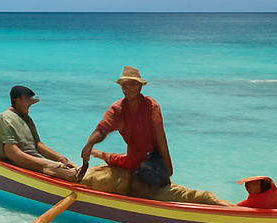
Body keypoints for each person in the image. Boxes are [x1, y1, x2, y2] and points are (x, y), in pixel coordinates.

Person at [78, 67, 229, 206]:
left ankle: (229, 208)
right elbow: (102, 129)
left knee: (194, 196)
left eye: (131, 84)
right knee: (88, 178)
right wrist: (89, 144)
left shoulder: (151, 106)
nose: (127, 88)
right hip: (137, 170)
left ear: (139, 86)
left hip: (151, 170)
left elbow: (160, 138)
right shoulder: (118, 109)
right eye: (124, 85)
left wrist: (168, 168)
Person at [0, 85, 85, 181]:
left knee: (71, 167)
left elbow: (38, 145)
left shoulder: (27, 119)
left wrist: (62, 159)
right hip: (14, 162)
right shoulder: (5, 118)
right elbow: (12, 153)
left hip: (33, 161)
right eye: (28, 99)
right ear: (17, 100)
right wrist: (46, 165)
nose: (31, 103)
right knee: (66, 173)